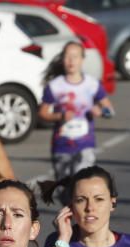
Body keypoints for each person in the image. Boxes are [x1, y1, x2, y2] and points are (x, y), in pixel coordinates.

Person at [39, 41, 115, 181]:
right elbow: (43, 113)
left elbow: (110, 111)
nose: (71, 61)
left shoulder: (92, 84)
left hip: (85, 145)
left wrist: (100, 111)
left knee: (81, 187)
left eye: (75, 56)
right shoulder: (55, 86)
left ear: (82, 59)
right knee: (65, 192)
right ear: (62, 59)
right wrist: (60, 116)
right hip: (61, 146)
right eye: (67, 56)